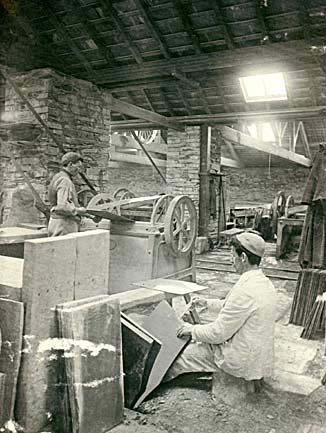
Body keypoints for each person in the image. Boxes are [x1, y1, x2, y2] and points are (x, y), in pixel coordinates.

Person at [164, 232, 277, 382]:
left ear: (243, 258)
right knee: (201, 337)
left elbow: (218, 334)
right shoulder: (263, 283)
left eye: (232, 255)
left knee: (178, 359)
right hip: (258, 356)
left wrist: (191, 329)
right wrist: (207, 303)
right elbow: (235, 308)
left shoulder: (245, 291)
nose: (231, 261)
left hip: (241, 360)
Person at [47, 152, 87, 237]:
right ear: (70, 164)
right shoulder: (65, 180)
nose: (79, 170)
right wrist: (79, 210)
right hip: (64, 225)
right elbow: (62, 206)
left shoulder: (57, 176)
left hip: (56, 222)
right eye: (78, 167)